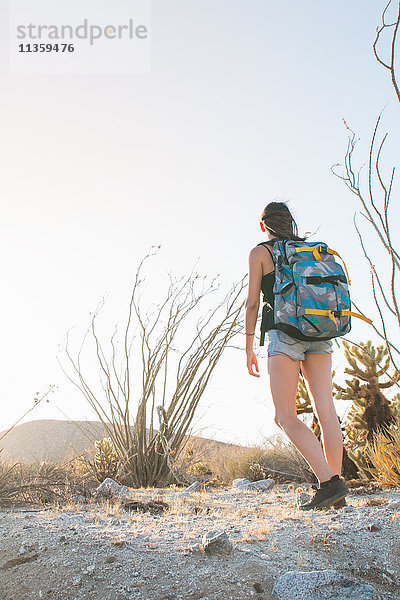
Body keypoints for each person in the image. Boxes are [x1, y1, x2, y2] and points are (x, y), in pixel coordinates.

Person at [244, 201, 350, 510]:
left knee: (285, 416)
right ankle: (335, 490)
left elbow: (252, 304)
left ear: (264, 226)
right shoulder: (312, 251)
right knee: (326, 411)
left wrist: (249, 345)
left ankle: (330, 484)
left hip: (285, 334)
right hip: (320, 332)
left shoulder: (261, 253)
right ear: (291, 224)